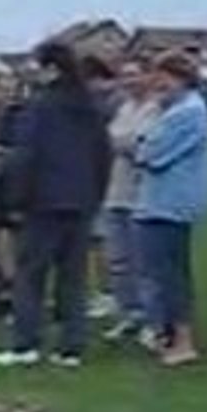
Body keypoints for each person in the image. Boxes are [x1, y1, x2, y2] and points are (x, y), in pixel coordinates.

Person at [0, 43, 111, 368]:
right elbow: (103, 156)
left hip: (43, 202)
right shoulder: (90, 107)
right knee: (73, 278)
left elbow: (26, 156)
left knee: (30, 276)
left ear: (51, 69)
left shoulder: (39, 106)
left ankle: (26, 344)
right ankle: (71, 347)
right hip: (81, 201)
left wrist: (14, 199)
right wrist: (95, 195)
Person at [134, 51, 207, 366]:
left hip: (170, 204)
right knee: (161, 273)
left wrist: (144, 144)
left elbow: (150, 155)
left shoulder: (188, 112)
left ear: (181, 78)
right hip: (160, 202)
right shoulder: (175, 110)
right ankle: (166, 334)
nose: (157, 83)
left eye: (163, 77)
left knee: (170, 276)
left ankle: (183, 341)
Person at [102, 61, 161, 343]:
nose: (129, 81)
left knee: (145, 263)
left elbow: (144, 146)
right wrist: (122, 140)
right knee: (118, 261)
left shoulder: (157, 108)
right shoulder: (123, 108)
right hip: (115, 193)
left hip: (142, 196)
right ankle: (129, 314)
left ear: (147, 76)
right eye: (124, 76)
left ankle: (153, 320)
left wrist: (120, 140)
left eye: (134, 75)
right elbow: (112, 140)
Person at [81, 55, 124, 320]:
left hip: (106, 179)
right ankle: (100, 292)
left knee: (101, 239)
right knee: (91, 240)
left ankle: (110, 294)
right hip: (91, 177)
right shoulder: (101, 101)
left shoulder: (111, 103)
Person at [0, 75, 27, 281]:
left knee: (13, 228)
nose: (9, 94)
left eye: (12, 90)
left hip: (16, 181)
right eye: (4, 90)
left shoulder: (24, 117)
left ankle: (14, 275)